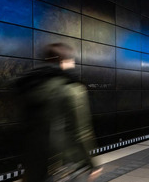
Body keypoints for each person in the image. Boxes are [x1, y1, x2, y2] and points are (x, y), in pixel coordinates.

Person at [15, 43, 102, 182]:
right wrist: (93, 164)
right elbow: (82, 132)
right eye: (71, 60)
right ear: (64, 62)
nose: (73, 63)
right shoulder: (71, 89)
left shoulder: (29, 87)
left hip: (34, 166)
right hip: (66, 166)